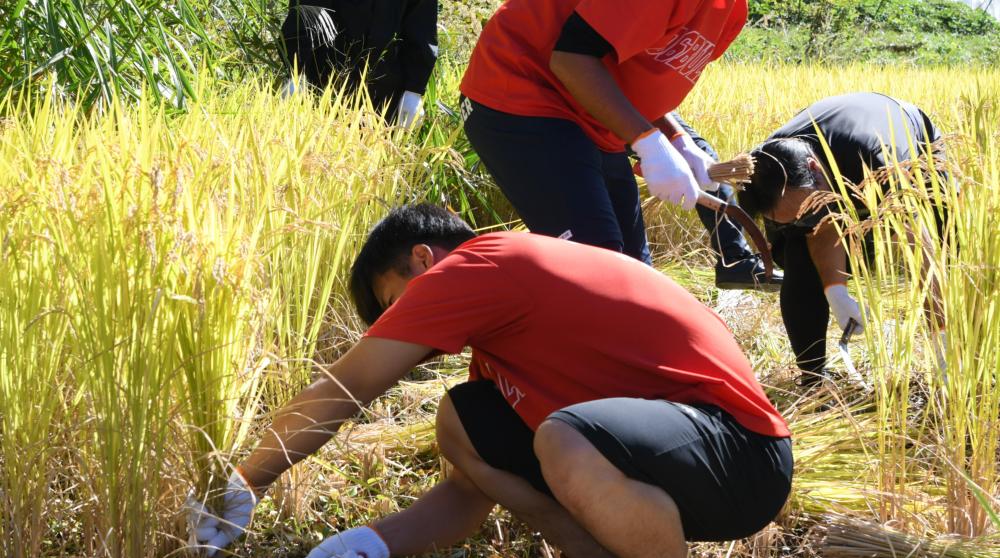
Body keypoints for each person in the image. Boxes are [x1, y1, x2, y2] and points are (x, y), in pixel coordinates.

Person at [190, 204, 793, 558]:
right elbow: (467, 496)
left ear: (424, 261)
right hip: (680, 454)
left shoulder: (484, 263)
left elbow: (348, 388)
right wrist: (375, 540)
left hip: (739, 452)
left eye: (394, 303)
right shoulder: (503, 341)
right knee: (463, 421)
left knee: (561, 436)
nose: (404, 328)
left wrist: (246, 479)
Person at [459, 0, 781, 290]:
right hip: (518, 94)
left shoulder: (730, 11)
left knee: (635, 275)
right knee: (599, 268)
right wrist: (647, 141)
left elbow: (631, 72)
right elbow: (572, 58)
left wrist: (676, 139)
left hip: (594, 117)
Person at [737, 92, 948, 382]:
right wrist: (835, 291)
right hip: (827, 166)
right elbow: (820, 225)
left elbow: (922, 254)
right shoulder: (765, 172)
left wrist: (942, 340)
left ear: (814, 169)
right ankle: (813, 377)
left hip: (910, 140)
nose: (806, 221)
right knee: (798, 255)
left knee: (949, 240)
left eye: (806, 211)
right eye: (794, 217)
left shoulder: (875, 160)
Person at [280, 0, 438, 127]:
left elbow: (421, 23)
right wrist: (297, 70)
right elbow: (305, 12)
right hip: (322, 83)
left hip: (384, 93)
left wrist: (414, 90)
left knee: (373, 161)